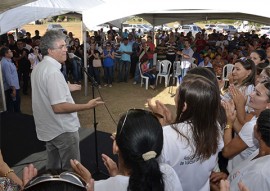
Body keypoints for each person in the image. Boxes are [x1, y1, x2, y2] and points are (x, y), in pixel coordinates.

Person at [31, 30, 104, 171]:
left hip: (48, 128)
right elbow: (58, 107)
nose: (66, 49)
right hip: (62, 130)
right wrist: (87, 106)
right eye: (62, 46)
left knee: (53, 167)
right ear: (51, 50)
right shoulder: (53, 72)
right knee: (72, 170)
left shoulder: (39, 68)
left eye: (65, 46)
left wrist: (65, 87)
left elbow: (45, 91)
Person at [71, 109, 182, 191]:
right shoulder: (168, 173)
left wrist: (88, 183)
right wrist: (116, 175)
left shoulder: (101, 187)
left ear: (115, 147)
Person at [148, 74, 224, 191]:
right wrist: (169, 125)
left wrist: (161, 126)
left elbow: (154, 167)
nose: (174, 98)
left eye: (177, 94)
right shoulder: (215, 127)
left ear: (184, 105)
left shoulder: (166, 135)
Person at [227, 108, 270, 191]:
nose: (254, 125)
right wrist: (229, 178)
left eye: (256, 124)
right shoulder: (261, 150)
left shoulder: (260, 174)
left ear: (259, 134)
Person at [0, 46, 21, 112]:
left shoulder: (7, 61)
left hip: (13, 87)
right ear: (6, 54)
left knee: (15, 104)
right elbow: (8, 77)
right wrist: (13, 89)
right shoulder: (5, 63)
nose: (12, 52)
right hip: (11, 88)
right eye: (10, 52)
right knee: (13, 105)